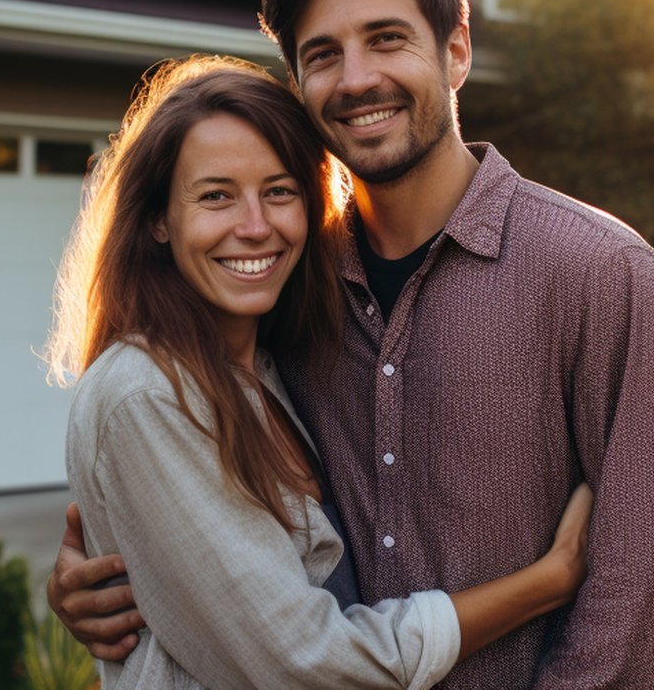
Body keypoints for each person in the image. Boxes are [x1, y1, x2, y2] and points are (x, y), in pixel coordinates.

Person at [53, 0, 654, 687]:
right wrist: (99, 572)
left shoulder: (602, 276)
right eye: (323, 54)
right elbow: (208, 545)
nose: (358, 78)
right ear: (299, 82)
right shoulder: (283, 290)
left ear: (456, 53)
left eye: (387, 39)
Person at [49, 55, 596, 689]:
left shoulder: (268, 366)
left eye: (279, 191)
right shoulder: (145, 395)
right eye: (216, 196)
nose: (256, 228)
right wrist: (549, 581)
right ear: (157, 221)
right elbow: (305, 665)